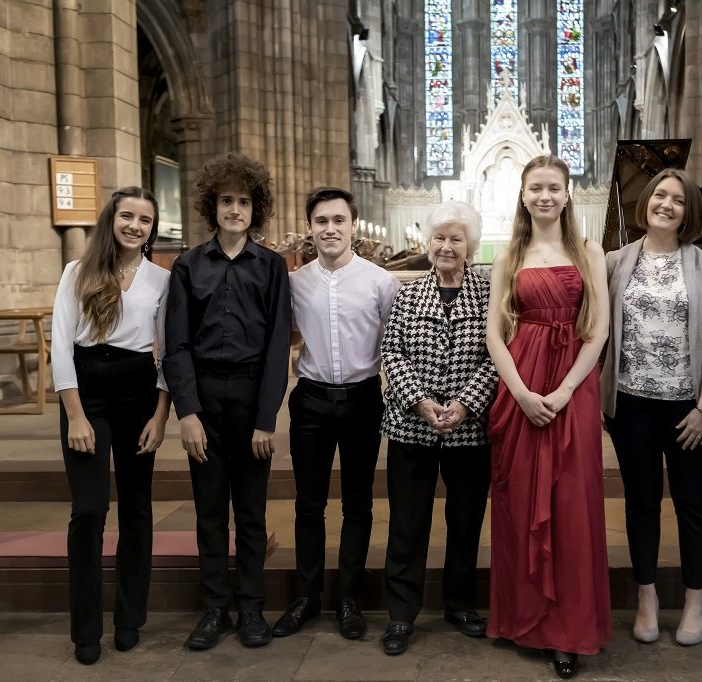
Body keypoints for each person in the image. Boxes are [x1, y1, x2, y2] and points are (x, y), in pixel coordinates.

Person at [486, 155, 611, 679]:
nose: (544, 196)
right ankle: (525, 619)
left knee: (570, 503)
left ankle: (567, 630)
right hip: (521, 388)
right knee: (519, 504)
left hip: (571, 390)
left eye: (553, 188)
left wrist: (561, 393)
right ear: (522, 194)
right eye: (535, 187)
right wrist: (521, 393)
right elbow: (494, 333)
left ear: (567, 194)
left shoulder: (589, 253)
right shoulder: (507, 256)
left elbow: (599, 330)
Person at [163, 153, 291, 651]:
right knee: (210, 510)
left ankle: (252, 608)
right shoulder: (188, 266)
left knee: (252, 513)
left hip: (251, 394)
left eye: (243, 201)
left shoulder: (272, 266)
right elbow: (176, 345)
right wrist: (188, 413)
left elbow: (279, 343)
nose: (234, 210)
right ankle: (215, 609)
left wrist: (265, 420)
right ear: (211, 206)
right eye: (225, 201)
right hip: (204, 396)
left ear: (255, 208)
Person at [600, 169, 702, 647]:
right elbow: (598, 331)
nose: (666, 204)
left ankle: (696, 597)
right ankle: (647, 595)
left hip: (689, 410)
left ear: (687, 212)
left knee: (693, 504)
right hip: (630, 405)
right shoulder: (616, 261)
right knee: (641, 503)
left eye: (677, 199)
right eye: (659, 194)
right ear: (647, 202)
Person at [273, 187, 401, 641]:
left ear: (352, 226)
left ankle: (349, 598)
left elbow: (395, 342)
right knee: (308, 504)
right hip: (310, 400)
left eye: (339, 220)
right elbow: (283, 338)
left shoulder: (380, 281)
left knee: (358, 503)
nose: (330, 228)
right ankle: (306, 597)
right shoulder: (295, 281)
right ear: (310, 228)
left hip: (363, 399)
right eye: (321, 221)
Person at [52, 186, 170, 665]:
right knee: (89, 511)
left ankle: (128, 618)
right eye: (127, 216)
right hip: (87, 393)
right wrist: (76, 415)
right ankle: (85, 628)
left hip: (139, 392)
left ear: (151, 229)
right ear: (111, 219)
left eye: (144, 220)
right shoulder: (76, 272)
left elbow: (167, 352)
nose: (135, 226)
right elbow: (61, 344)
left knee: (138, 511)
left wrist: (161, 416)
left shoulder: (162, 280)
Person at [379, 201, 498, 655]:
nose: (447, 246)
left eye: (456, 238)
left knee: (465, 522)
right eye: (439, 238)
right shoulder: (408, 295)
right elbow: (391, 352)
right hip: (413, 427)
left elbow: (497, 356)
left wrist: (467, 404)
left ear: (470, 246)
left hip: (469, 430)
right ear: (428, 243)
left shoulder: (488, 294)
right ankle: (401, 615)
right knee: (408, 525)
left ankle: (460, 603)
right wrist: (420, 400)